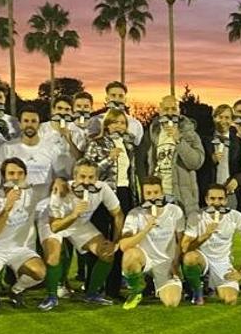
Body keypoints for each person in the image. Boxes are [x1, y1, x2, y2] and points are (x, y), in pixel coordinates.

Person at [46, 160, 123, 306]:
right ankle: (51, 295)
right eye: (82, 177)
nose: (86, 181)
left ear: (97, 178)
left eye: (91, 177)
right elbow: (54, 226)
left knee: (108, 254)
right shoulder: (61, 190)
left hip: (81, 226)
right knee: (54, 254)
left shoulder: (103, 188)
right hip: (59, 224)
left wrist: (115, 241)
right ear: (74, 176)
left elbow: (118, 214)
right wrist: (74, 214)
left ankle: (91, 294)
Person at [84, 109, 141, 298]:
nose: (119, 126)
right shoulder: (96, 143)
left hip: (124, 193)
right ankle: (93, 287)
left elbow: (131, 173)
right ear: (107, 125)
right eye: (114, 122)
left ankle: (113, 288)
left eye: (122, 123)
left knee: (118, 241)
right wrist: (109, 158)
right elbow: (88, 172)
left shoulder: (129, 145)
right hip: (102, 195)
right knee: (100, 240)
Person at [0, 158, 48, 308]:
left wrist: (61, 184)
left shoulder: (33, 193)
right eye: (11, 173)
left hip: (21, 249)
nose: (16, 177)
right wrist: (7, 207)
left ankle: (16, 290)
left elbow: (56, 186)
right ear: (4, 177)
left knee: (39, 273)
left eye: (20, 173)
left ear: (25, 175)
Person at [181, 183, 241, 305]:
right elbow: (185, 247)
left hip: (223, 264)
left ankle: (210, 286)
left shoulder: (235, 216)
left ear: (226, 200)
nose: (216, 203)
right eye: (212, 199)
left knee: (230, 300)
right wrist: (205, 235)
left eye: (221, 199)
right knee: (190, 258)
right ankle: (197, 291)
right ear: (206, 200)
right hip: (203, 260)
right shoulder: (196, 216)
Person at [119, 175, 186, 310]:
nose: (153, 197)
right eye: (148, 193)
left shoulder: (175, 211)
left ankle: (159, 285)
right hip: (146, 260)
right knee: (130, 255)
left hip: (166, 264)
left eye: (156, 192)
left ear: (162, 193)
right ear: (143, 195)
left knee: (171, 302)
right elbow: (124, 245)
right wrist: (146, 229)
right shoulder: (135, 214)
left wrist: (175, 264)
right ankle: (137, 291)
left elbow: (181, 241)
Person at [143, 95, 204, 218]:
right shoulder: (153, 134)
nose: (170, 113)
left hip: (182, 197)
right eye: (166, 109)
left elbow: (196, 163)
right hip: (158, 196)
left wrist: (179, 140)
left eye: (173, 109)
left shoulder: (190, 135)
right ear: (160, 111)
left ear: (179, 111)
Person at [197, 103, 241, 212]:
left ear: (232, 120)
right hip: (209, 193)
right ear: (214, 118)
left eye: (227, 117)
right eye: (220, 117)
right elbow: (197, 165)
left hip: (230, 193)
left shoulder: (238, 141)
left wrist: (237, 180)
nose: (223, 121)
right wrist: (211, 160)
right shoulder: (203, 139)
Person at [39, 95, 88, 180]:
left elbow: (80, 158)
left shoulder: (77, 131)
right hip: (45, 178)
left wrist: (68, 139)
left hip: (69, 179)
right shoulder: (41, 129)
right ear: (53, 110)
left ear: (72, 113)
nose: (62, 112)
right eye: (59, 108)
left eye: (67, 109)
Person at [87, 81, 144, 146]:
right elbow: (90, 146)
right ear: (107, 99)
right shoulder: (95, 121)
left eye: (121, 96)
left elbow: (138, 149)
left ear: (125, 100)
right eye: (113, 95)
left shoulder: (135, 123)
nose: (117, 99)